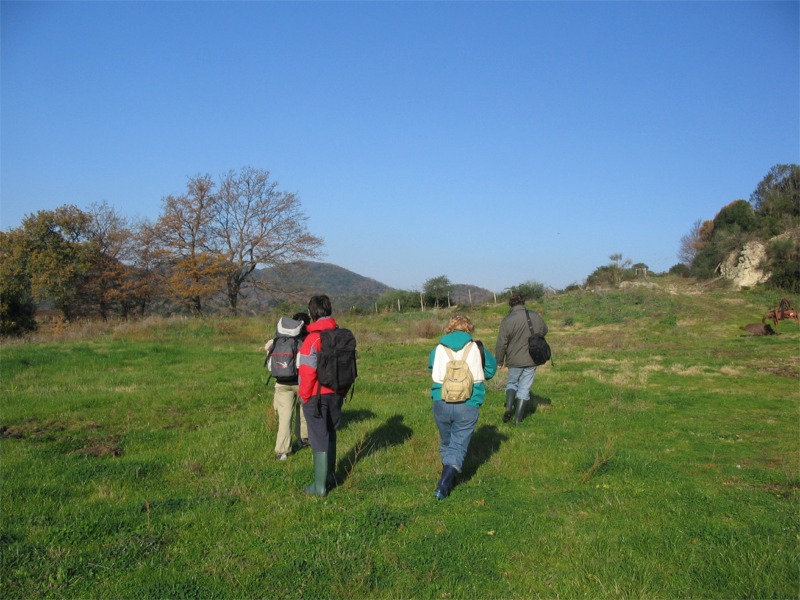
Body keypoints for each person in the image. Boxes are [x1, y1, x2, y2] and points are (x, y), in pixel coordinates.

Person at [428, 315, 497, 500]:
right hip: (469, 402)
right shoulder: (478, 347)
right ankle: (444, 485)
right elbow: (491, 370)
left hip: (441, 401)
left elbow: (431, 368)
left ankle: (448, 477)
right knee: (458, 446)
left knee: (446, 442)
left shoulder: (438, 348)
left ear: (449, 328)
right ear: (469, 329)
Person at [298, 295, 345, 497]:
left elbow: (308, 372)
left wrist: (304, 396)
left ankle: (319, 487)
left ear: (311, 312)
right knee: (331, 433)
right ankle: (331, 476)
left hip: (316, 396)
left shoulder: (312, 339)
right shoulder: (340, 335)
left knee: (318, 438)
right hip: (337, 393)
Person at [495, 292, 548, 425]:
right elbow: (545, 330)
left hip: (514, 359)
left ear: (511, 304)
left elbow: (502, 343)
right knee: (524, 388)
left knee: (512, 383)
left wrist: (499, 361)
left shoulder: (507, 319)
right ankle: (518, 420)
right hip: (532, 357)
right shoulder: (535, 315)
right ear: (523, 302)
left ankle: (508, 407)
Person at [265, 312, 311, 460]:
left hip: (281, 384)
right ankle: (304, 439)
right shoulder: (304, 341)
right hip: (300, 382)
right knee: (303, 412)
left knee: (284, 418)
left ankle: (282, 451)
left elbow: (267, 348)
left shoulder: (278, 340)